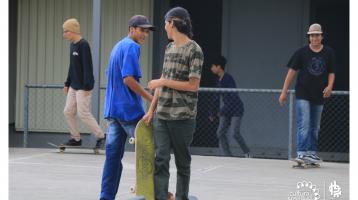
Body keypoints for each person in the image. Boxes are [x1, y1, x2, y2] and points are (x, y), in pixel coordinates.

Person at [143, 7, 204, 200]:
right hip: (162, 115)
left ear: (173, 23)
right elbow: (164, 77)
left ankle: (181, 197)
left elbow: (193, 86)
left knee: (182, 163)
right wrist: (151, 109)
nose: (164, 27)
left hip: (183, 117)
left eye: (165, 23)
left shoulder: (194, 50)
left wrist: (161, 82)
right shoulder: (169, 48)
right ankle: (160, 197)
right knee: (160, 159)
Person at [99, 15, 154, 200]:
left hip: (113, 111)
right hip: (129, 112)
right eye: (141, 30)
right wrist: (150, 97)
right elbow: (128, 78)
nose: (145, 34)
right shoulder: (132, 47)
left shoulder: (118, 46)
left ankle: (106, 197)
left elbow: (114, 76)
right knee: (148, 153)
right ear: (131, 29)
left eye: (147, 31)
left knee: (113, 159)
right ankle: (150, 193)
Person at [279, 23, 336, 164]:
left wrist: (329, 87)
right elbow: (291, 72)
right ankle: (301, 153)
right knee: (304, 123)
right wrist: (284, 91)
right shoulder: (301, 52)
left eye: (317, 35)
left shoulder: (329, 52)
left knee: (315, 126)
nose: (314, 38)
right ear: (309, 38)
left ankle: (311, 153)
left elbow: (332, 72)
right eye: (312, 36)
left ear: (322, 37)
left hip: (319, 94)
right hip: (303, 92)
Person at [62, 18, 105, 148]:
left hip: (83, 87)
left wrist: (88, 86)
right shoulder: (72, 45)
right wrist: (67, 83)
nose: (64, 34)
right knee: (68, 111)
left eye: (65, 31)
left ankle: (100, 136)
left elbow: (88, 66)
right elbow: (72, 66)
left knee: (83, 113)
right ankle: (76, 139)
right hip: (73, 86)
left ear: (72, 31)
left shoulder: (83, 45)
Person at [209, 55, 250, 157]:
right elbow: (216, 97)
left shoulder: (228, 78)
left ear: (219, 67)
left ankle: (247, 153)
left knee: (235, 133)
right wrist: (212, 112)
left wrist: (222, 110)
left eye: (213, 66)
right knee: (220, 133)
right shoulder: (218, 80)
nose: (211, 68)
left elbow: (233, 96)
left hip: (236, 108)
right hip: (226, 110)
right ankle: (228, 156)